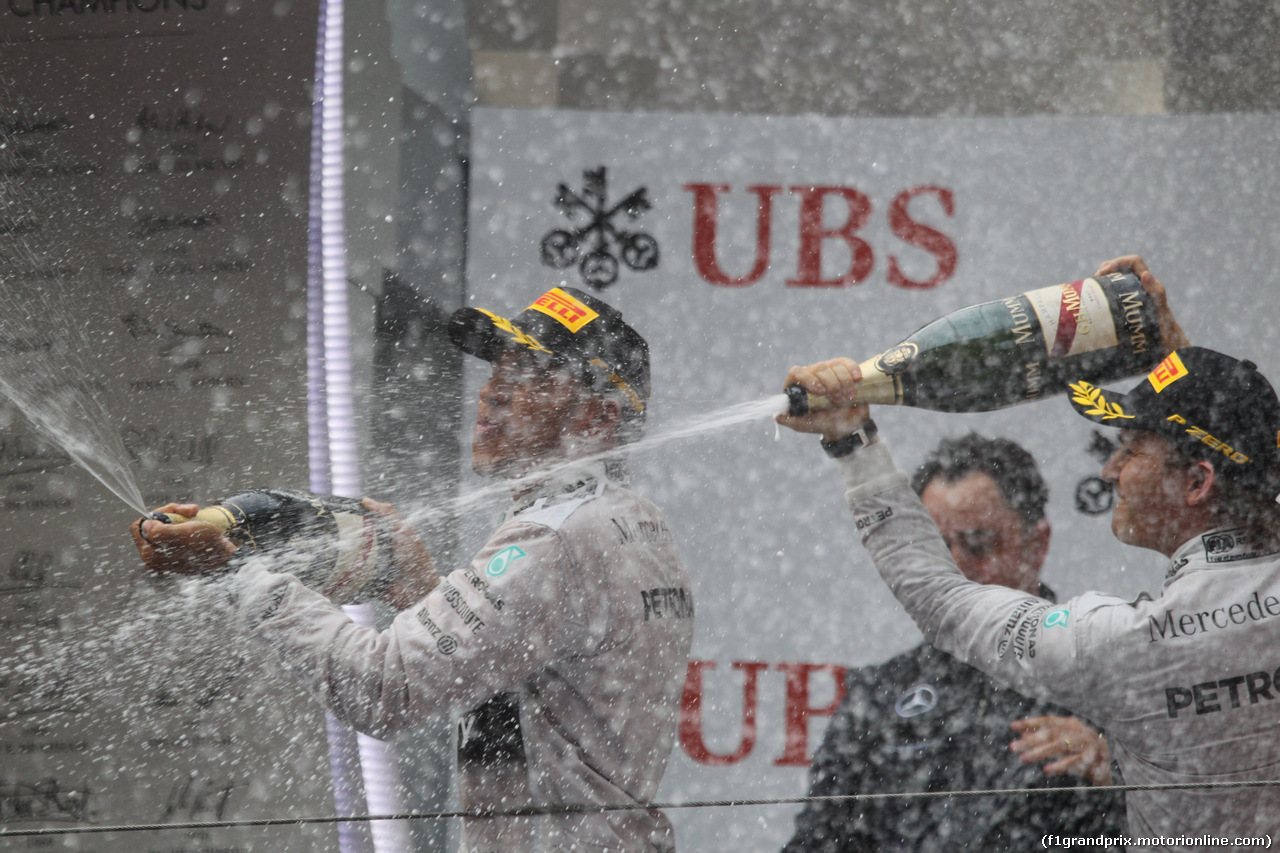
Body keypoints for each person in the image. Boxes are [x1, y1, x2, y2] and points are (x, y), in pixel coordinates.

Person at [131, 286, 694, 853]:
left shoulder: (556, 538)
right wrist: (418, 589)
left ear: (600, 417)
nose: (494, 392)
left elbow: (382, 688)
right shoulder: (634, 524)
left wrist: (237, 572)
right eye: (499, 368)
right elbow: (519, 688)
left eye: (532, 376)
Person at [778, 255, 1280, 846]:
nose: (1111, 469)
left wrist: (852, 440)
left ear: (1197, 483)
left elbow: (939, 599)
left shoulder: (1115, 646)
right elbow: (1251, 473)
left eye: (1134, 450)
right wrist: (1178, 361)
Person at [783, 432, 1123, 853]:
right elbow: (816, 841)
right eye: (938, 548)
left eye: (979, 543)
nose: (957, 565)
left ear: (1038, 544)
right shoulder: (882, 693)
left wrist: (1122, 772)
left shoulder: (1108, 673)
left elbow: (1203, 826)